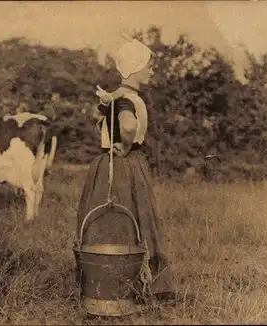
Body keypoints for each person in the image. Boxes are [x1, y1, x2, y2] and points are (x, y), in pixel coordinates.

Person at [76, 37, 176, 303]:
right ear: (135, 67)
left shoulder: (121, 98)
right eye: (148, 65)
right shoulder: (125, 100)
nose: (151, 70)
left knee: (113, 220)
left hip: (116, 163)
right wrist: (125, 143)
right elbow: (128, 126)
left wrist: (121, 143)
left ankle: (111, 285)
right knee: (132, 219)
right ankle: (136, 286)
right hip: (126, 162)